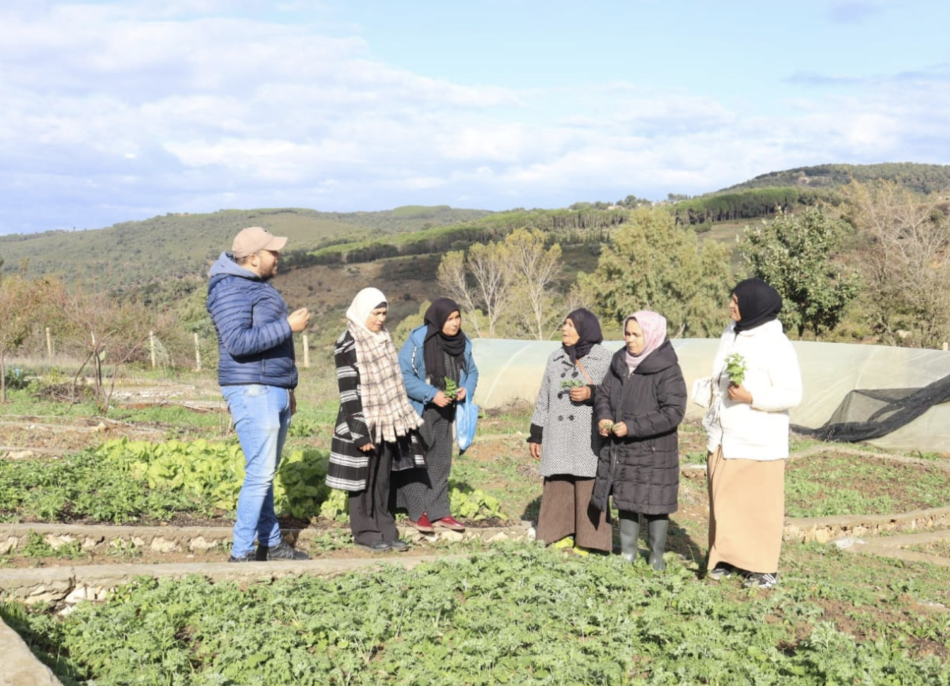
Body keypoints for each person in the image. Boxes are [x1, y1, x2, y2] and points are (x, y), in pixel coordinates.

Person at [207, 226, 311, 562]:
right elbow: (237, 343)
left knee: (264, 470)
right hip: (253, 390)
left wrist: (287, 387)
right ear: (253, 258)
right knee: (260, 472)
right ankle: (240, 555)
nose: (278, 257)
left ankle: (272, 543)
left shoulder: (251, 286)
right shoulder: (230, 289)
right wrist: (288, 326)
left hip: (270, 388)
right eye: (272, 252)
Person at [703, 278, 802, 589]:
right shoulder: (731, 334)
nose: (731, 305)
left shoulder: (776, 343)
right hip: (725, 433)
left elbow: (792, 394)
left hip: (758, 437)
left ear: (753, 305)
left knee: (760, 506)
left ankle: (763, 568)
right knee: (725, 501)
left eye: (736, 300)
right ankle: (728, 559)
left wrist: (751, 398)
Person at [326, 288, 426, 551]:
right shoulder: (348, 342)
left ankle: (386, 529)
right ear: (362, 311)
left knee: (383, 479)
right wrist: (360, 432)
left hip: (387, 421)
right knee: (362, 482)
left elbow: (394, 381)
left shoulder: (382, 338)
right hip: (362, 422)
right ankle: (365, 532)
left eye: (384, 313)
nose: (381, 319)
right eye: (376, 313)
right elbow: (348, 391)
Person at [591, 310, 686, 571]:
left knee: (655, 502)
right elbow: (603, 395)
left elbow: (673, 412)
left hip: (654, 449)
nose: (630, 339)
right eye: (627, 333)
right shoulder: (619, 361)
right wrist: (604, 417)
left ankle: (656, 557)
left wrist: (632, 427)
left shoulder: (667, 369)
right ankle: (628, 554)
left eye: (636, 334)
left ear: (652, 335)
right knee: (626, 498)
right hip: (623, 447)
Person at [528, 308, 613, 555]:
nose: (564, 329)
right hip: (558, 433)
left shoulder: (604, 359)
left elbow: (613, 393)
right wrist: (536, 434)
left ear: (585, 330)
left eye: (570, 325)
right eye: (564, 324)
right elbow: (543, 396)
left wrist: (591, 393)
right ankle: (559, 534)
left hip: (587, 434)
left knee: (588, 482)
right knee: (558, 481)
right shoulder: (554, 358)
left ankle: (590, 541)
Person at [396, 298, 478, 533]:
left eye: (457, 317)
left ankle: (439, 511)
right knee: (416, 461)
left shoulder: (463, 343)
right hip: (419, 408)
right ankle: (417, 512)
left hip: (447, 409)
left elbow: (472, 372)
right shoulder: (418, 340)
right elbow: (404, 375)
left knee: (441, 461)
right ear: (438, 319)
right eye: (449, 319)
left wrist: (466, 389)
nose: (454, 323)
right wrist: (432, 394)